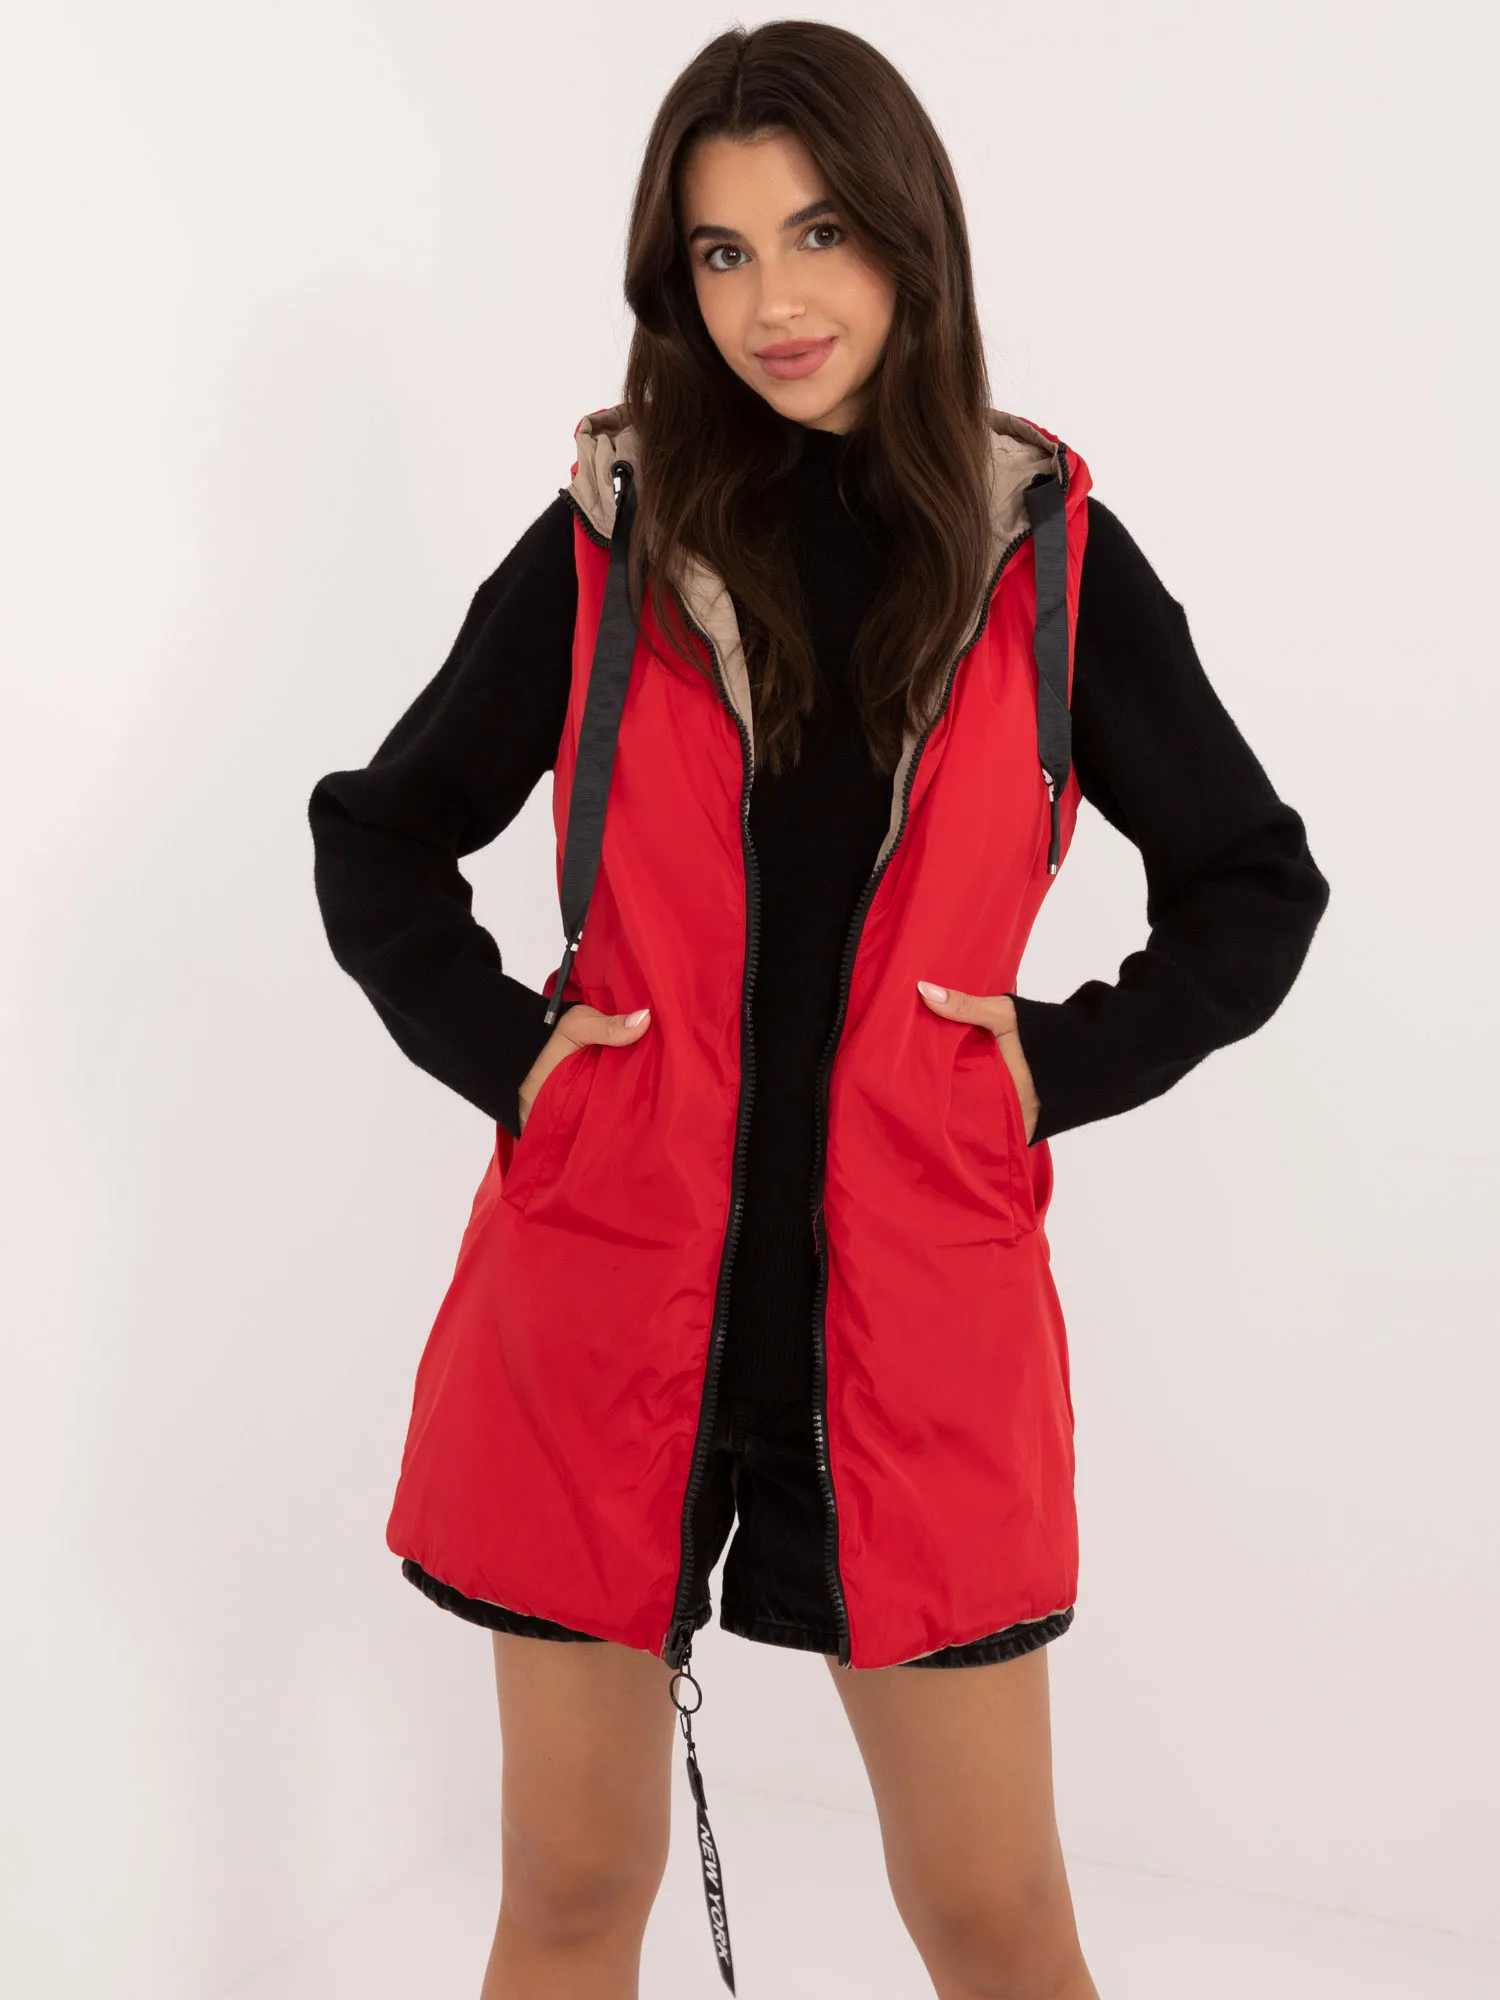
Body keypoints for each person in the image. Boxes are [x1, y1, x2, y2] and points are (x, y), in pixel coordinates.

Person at [308, 22, 1329, 2000]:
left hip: (918, 1324)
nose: (773, 299)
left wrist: (1053, 1061)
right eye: (721, 252)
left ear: (909, 238)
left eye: (819, 233)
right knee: (571, 1894)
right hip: (600, 1295)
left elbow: (1254, 882)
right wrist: (514, 1055)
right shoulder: (611, 545)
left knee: (996, 1916)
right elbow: (381, 832)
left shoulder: (1048, 560)